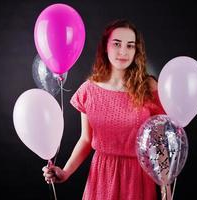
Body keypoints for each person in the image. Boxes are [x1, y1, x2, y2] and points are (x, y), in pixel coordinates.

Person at [42, 19, 165, 200]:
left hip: (138, 176)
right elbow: (85, 139)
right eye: (117, 44)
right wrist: (65, 172)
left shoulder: (150, 87)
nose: (123, 51)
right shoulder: (89, 89)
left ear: (136, 51)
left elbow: (160, 140)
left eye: (130, 46)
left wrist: (165, 185)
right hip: (102, 175)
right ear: (105, 46)